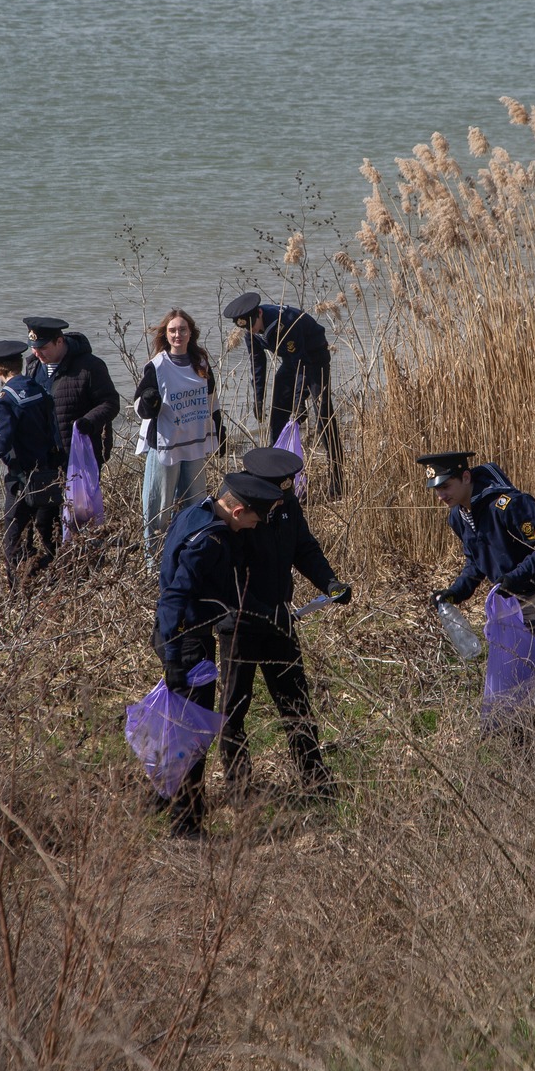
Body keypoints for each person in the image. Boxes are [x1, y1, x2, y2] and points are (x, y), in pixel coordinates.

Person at [151, 471, 285, 839]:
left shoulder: (197, 512)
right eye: (255, 519)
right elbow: (176, 594)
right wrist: (176, 653)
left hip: (176, 635)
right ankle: (186, 825)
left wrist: (265, 612)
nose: (255, 527)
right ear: (239, 510)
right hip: (188, 641)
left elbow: (222, 593)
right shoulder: (211, 541)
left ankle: (159, 797)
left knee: (177, 726)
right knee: (194, 735)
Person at [219, 445, 350, 800]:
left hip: (280, 620)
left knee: (296, 701)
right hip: (241, 626)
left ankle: (316, 782)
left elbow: (303, 548)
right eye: (275, 495)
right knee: (234, 708)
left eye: (285, 493)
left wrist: (330, 582)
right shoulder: (235, 512)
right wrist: (261, 610)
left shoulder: (286, 505)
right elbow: (228, 580)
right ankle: (239, 789)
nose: (281, 501)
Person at [417, 450, 535, 652]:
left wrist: (513, 578)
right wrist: (455, 593)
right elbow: (475, 562)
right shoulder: (457, 517)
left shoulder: (509, 505)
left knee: (531, 663)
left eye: (445, 487)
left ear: (465, 477)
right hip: (513, 597)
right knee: (514, 665)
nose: (440, 496)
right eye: (436, 490)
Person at [221, 291, 344, 495]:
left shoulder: (285, 322)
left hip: (314, 358)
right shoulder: (250, 330)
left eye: (253, 325)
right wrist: (258, 399)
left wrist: (299, 403)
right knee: (278, 413)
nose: (252, 331)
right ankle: (274, 479)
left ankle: (338, 480)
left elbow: (302, 363)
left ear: (259, 313)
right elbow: (257, 364)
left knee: (323, 415)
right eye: (246, 328)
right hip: (291, 361)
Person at [132, 309, 224, 567]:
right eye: (172, 330)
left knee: (195, 507)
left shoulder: (201, 363)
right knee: (157, 510)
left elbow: (211, 400)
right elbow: (139, 406)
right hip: (165, 447)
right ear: (166, 334)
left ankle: (191, 558)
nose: (178, 334)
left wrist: (219, 430)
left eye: (182, 330)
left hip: (194, 445)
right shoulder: (157, 366)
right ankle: (153, 564)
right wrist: (149, 400)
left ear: (190, 333)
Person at [0, 340, 63, 589]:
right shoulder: (39, 389)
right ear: (20, 363)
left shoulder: (5, 399)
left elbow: (1, 441)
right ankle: (57, 584)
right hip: (46, 474)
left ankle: (18, 592)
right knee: (49, 534)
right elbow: (52, 430)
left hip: (21, 480)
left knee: (14, 539)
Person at [21, 315, 123, 467]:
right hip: (45, 459)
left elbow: (110, 403)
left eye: (42, 347)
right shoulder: (33, 367)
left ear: (59, 341)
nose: (36, 353)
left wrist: (88, 422)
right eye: (33, 347)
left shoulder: (90, 366)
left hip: (81, 456)